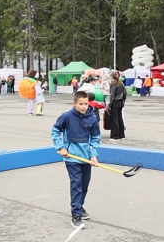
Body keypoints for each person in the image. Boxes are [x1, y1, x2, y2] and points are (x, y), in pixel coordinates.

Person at [51, 90, 100, 229]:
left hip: (86, 158)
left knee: (84, 185)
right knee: (76, 184)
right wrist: (61, 147)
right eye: (81, 104)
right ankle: (76, 215)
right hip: (71, 158)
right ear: (74, 103)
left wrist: (94, 154)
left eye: (86, 103)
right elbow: (55, 131)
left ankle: (80, 206)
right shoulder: (66, 116)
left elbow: (96, 138)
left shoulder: (92, 117)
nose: (84, 107)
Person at [108, 72, 126, 141]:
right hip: (121, 102)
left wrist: (109, 105)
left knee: (114, 119)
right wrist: (123, 101)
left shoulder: (113, 84)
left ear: (112, 77)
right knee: (120, 118)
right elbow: (124, 93)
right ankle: (122, 135)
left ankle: (115, 136)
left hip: (115, 102)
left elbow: (112, 96)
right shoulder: (121, 83)